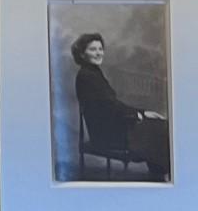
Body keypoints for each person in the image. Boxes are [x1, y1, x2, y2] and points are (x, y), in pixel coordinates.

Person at [70, 33, 171, 181]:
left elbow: (112, 105)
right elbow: (110, 107)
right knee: (159, 128)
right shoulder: (87, 76)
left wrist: (142, 112)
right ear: (82, 54)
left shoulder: (93, 72)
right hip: (105, 134)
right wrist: (140, 115)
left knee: (158, 126)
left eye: (100, 48)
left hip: (110, 126)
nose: (99, 53)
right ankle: (159, 176)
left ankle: (159, 174)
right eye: (93, 49)